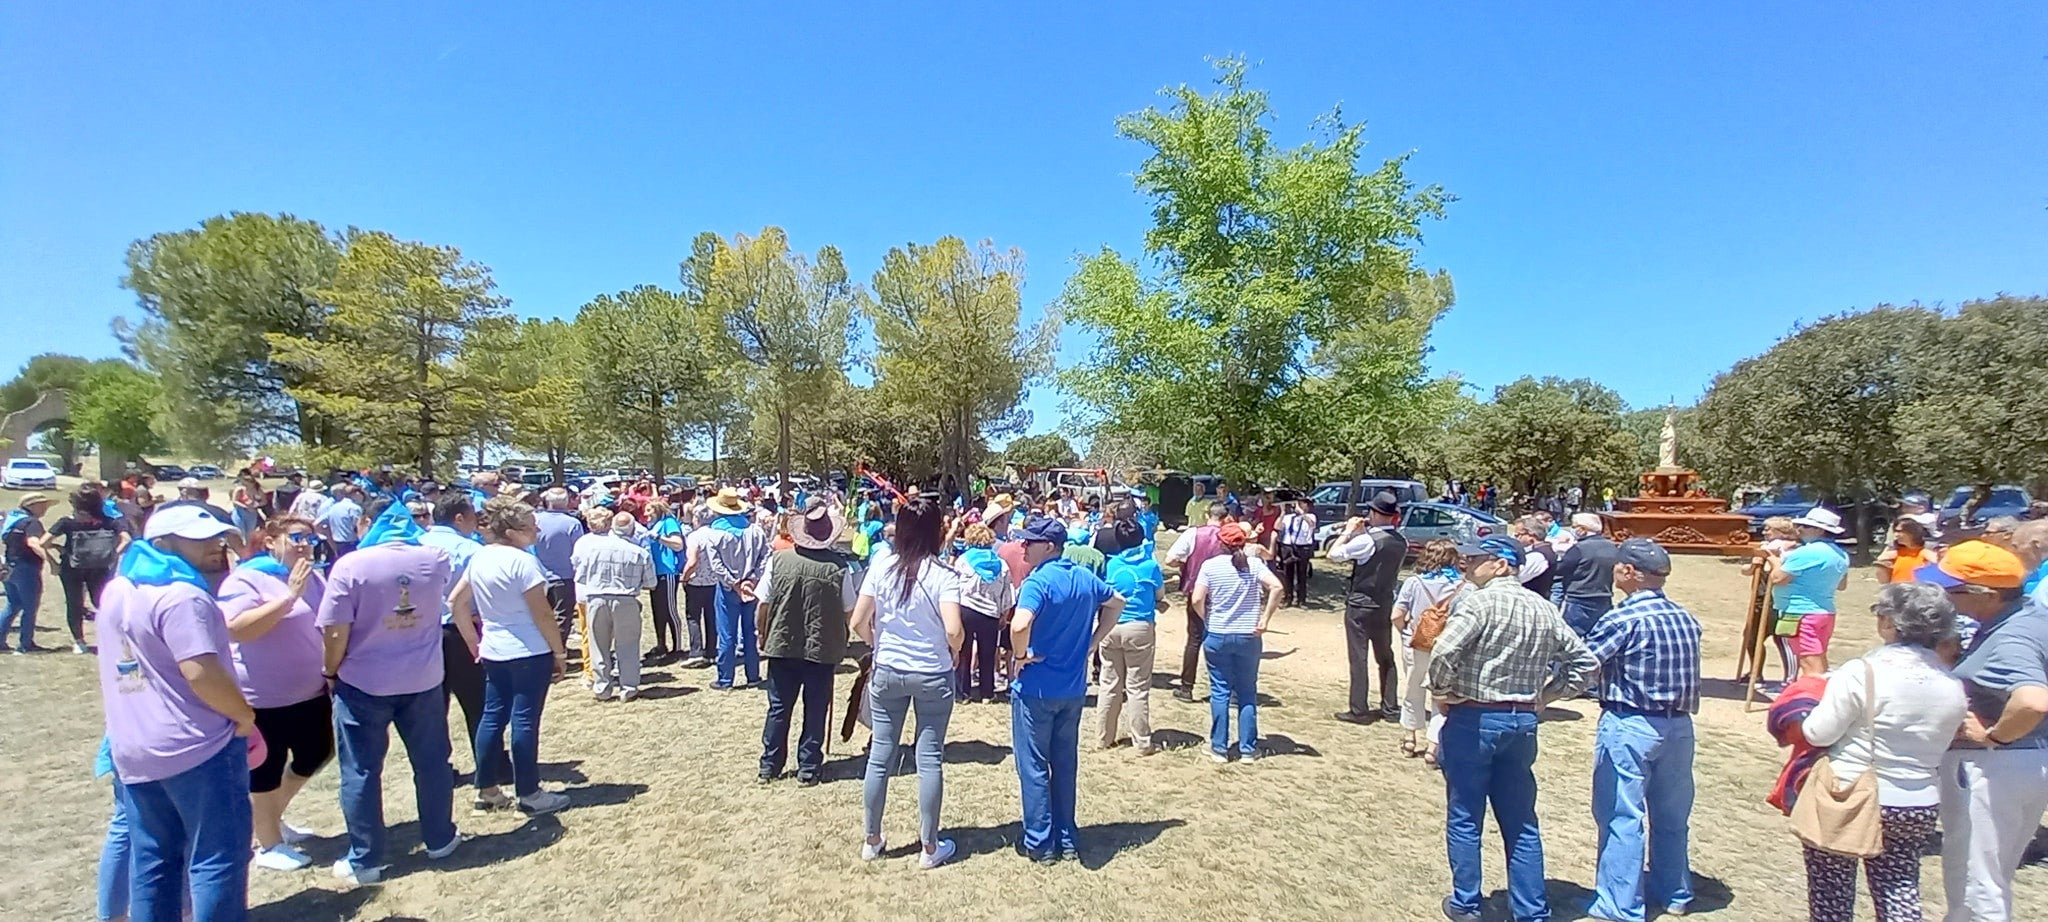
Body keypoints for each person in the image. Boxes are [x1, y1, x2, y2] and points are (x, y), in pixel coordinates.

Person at [1427, 535, 1599, 922]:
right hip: (1521, 721)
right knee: (1521, 819)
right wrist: (1548, 696)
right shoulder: (1544, 608)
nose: (1466, 566)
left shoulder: (1478, 603)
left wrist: (1443, 693)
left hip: (1474, 717)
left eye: (1475, 560)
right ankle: (1531, 910)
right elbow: (1586, 664)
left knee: (1466, 814)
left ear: (1501, 564)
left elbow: (1443, 652)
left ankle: (1466, 903)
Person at [95, 505, 254, 920]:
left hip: (134, 746)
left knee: (153, 859)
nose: (215, 547)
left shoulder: (118, 589)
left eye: (217, 538)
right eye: (199, 540)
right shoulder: (184, 595)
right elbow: (201, 672)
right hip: (196, 745)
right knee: (217, 858)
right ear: (162, 543)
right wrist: (244, 716)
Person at [1796, 582, 1965, 922]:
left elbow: (1818, 732)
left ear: (1890, 623)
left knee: (1832, 893)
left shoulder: (1862, 672)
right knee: (1899, 889)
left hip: (1852, 794)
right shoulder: (1950, 683)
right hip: (1918, 801)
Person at [319, 496, 463, 886]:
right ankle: (440, 836)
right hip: (423, 677)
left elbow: (335, 629)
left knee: (361, 769)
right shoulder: (435, 559)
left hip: (364, 680)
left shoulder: (349, 566)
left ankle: (365, 858)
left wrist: (330, 670)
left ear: (367, 522)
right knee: (432, 761)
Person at [1922, 541, 2048, 921]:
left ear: (1985, 594)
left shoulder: (2012, 638)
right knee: (1990, 876)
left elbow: (2033, 701)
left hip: (1995, 769)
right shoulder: (2031, 618)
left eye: (1951, 588)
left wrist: (1991, 736)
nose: (1942, 595)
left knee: (1976, 885)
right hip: (2027, 762)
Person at [1581, 538, 1701, 922]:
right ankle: (1675, 893)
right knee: (1671, 817)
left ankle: (1620, 904)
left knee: (1622, 815)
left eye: (1618, 566)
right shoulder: (1685, 617)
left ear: (1630, 572)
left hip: (1631, 722)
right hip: (1679, 727)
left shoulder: (1623, 618)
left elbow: (1585, 662)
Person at [848, 498, 964, 869]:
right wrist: (955, 650)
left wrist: (876, 642)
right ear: (937, 531)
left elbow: (857, 622)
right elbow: (953, 629)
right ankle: (930, 847)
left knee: (880, 755)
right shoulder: (944, 575)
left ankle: (872, 838)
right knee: (929, 759)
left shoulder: (882, 568)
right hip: (932, 672)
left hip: (888, 670)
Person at [218, 515, 331, 872]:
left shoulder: (313, 576)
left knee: (317, 753)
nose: (303, 544)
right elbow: (237, 630)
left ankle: (269, 818)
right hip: (262, 697)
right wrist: (288, 597)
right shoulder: (246, 578)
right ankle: (268, 845)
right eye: (295, 537)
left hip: (310, 690)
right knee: (264, 770)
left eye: (309, 538)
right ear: (270, 541)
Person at [1008, 514, 1122, 862]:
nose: (1023, 546)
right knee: (1065, 764)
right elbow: (1117, 602)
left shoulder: (1037, 582)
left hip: (1036, 690)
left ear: (1050, 546)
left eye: (1030, 542)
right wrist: (1093, 642)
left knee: (1033, 766)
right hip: (1073, 691)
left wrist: (1020, 654)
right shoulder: (1084, 577)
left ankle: (1040, 843)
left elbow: (1020, 623)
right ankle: (1067, 837)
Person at [451, 497, 572, 817]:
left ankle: (487, 788)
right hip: (528, 651)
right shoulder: (524, 562)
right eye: (532, 525)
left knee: (492, 717)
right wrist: (559, 652)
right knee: (524, 720)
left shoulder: (481, 557)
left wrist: (474, 644)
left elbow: (456, 603)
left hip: (494, 650)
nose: (537, 529)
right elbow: (543, 614)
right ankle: (529, 792)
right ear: (514, 530)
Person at [756, 497, 860, 785]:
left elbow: (762, 605)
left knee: (778, 707)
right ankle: (809, 768)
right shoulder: (839, 569)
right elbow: (849, 610)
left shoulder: (778, 560)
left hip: (782, 643)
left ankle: (769, 765)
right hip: (821, 648)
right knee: (815, 708)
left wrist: (762, 633)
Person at [417, 491, 507, 790]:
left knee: (432, 706)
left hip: (423, 634)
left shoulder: (415, 544)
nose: (475, 522)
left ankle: (438, 768)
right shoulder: (471, 550)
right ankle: (491, 764)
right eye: (472, 517)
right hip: (461, 631)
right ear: (459, 517)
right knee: (479, 703)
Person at [1190, 522, 1281, 762]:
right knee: (1247, 691)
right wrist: (1265, 618)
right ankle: (1248, 748)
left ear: (1221, 543)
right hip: (1248, 635)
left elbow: (1197, 598)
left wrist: (1206, 617)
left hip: (1218, 633)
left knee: (1219, 691)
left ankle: (1219, 746)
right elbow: (1277, 586)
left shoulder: (1210, 566)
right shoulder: (1254, 565)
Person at [1327, 491, 1407, 724]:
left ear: (1374, 513)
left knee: (1359, 657)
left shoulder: (1367, 540)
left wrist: (1348, 532)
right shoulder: (1401, 541)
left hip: (1361, 603)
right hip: (1384, 603)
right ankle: (1390, 707)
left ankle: (1358, 708)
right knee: (1385, 656)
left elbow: (1334, 554)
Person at [572, 511, 656, 702]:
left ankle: (601, 687)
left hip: (596, 598)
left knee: (598, 645)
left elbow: (581, 577)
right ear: (632, 529)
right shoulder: (639, 552)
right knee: (627, 645)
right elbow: (651, 583)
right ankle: (628, 687)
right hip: (626, 600)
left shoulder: (593, 549)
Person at [1392, 538, 1463, 764]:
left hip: (1416, 643)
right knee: (1441, 696)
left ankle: (1410, 738)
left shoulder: (1414, 583)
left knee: (1413, 690)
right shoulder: (1462, 586)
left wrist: (1406, 633)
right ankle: (1433, 747)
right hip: (1448, 646)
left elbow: (1396, 615)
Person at [1099, 519, 1164, 753]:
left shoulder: (1112, 564)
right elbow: (1159, 594)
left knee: (1109, 684)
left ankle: (1103, 738)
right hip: (1139, 626)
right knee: (1137, 687)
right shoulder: (1150, 566)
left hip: (1111, 625)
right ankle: (1142, 742)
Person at [1769, 507, 1851, 680]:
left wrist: (1773, 559)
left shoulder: (1808, 552)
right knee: (1818, 657)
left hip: (1801, 612)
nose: (1799, 529)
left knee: (1809, 663)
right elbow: (1841, 585)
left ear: (1819, 530)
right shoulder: (1841, 554)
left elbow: (1777, 578)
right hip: (1824, 612)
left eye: (1805, 527)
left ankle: (1813, 699)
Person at [45, 486, 128, 654]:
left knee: (74, 603)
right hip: (100, 566)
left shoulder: (67, 521)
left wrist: (58, 549)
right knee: (102, 602)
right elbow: (126, 539)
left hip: (72, 566)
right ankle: (112, 636)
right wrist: (113, 554)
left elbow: (43, 542)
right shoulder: (109, 521)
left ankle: (79, 642)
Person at [702, 487, 769, 690]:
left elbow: (716, 565)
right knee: (750, 631)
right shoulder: (755, 531)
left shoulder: (714, 534)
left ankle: (725, 679)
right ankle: (753, 676)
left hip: (727, 588)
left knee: (727, 634)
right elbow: (765, 558)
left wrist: (734, 583)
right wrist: (752, 580)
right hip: (750, 587)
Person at [1162, 503, 1229, 702]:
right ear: (1225, 517)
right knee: (1221, 639)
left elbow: (1170, 559)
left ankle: (1186, 687)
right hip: (1222, 592)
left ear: (1208, 514)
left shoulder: (1194, 533)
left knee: (1194, 639)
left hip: (1196, 590)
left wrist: (1186, 563)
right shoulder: (1229, 536)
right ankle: (1222, 688)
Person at [951, 522, 1017, 704]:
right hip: (990, 613)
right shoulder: (1000, 564)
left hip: (966, 610)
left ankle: (963, 693)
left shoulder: (963, 560)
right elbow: (1007, 591)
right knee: (987, 653)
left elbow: (956, 587)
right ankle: (987, 693)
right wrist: (1003, 614)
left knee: (964, 651)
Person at [1549, 513, 1619, 636]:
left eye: (1574, 526)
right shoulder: (1612, 547)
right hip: (1604, 598)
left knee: (1569, 638)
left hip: (1578, 600)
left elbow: (1561, 569)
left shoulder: (1578, 549)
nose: (1573, 529)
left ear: (1582, 529)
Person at [529, 488, 585, 641]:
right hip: (564, 577)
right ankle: (558, 651)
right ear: (566, 502)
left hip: (537, 575)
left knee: (538, 616)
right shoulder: (573, 524)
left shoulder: (534, 519)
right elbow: (579, 551)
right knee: (562, 617)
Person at [0, 492, 53, 653]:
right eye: (42, 505)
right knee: (30, 607)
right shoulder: (32, 523)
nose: (45, 508)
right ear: (32, 506)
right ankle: (25, 643)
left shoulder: (13, 522)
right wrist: (52, 561)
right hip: (27, 568)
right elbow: (33, 543)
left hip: (9, 566)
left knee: (13, 604)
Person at [644, 500, 686, 662]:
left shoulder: (669, 523)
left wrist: (659, 538)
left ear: (658, 510)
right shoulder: (653, 525)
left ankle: (678, 647)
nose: (646, 514)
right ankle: (661, 644)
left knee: (670, 609)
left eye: (649, 510)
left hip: (668, 571)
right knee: (657, 611)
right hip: (655, 573)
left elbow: (678, 544)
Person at [679, 504, 719, 668]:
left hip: (696, 582)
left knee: (693, 617)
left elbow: (692, 561)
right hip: (714, 581)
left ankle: (696, 651)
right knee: (712, 617)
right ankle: (711, 651)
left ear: (698, 519)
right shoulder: (719, 535)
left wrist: (684, 577)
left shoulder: (694, 536)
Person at [1274, 497, 1318, 607]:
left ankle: (1301, 599)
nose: (1298, 505)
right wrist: (1282, 513)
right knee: (1288, 573)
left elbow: (1312, 525)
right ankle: (1288, 598)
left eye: (1302, 504)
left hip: (1303, 547)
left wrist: (1302, 514)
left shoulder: (1310, 516)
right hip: (1288, 546)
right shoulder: (1288, 517)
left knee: (1301, 574)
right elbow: (1277, 526)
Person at [314, 484, 364, 560]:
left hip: (336, 543)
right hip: (352, 544)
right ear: (355, 494)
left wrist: (328, 536)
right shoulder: (355, 508)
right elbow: (359, 527)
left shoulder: (334, 507)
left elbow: (317, 524)